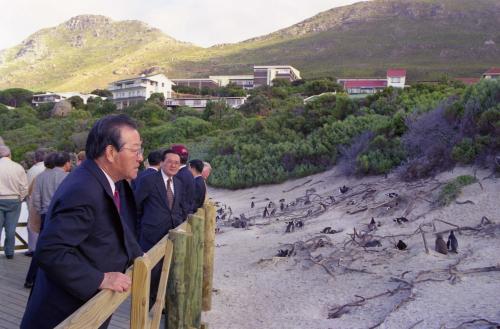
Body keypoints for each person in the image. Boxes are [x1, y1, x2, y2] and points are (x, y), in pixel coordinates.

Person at [21, 114, 144, 329]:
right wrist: (100, 279)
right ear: (111, 153)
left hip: (88, 308)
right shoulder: (83, 189)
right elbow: (51, 251)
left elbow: (118, 226)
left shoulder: (109, 181)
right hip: (65, 314)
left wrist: (139, 258)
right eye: (135, 150)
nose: (140, 158)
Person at [134, 149, 187, 306]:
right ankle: (146, 310)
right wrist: (139, 230)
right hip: (151, 236)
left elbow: (180, 207)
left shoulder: (179, 183)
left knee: (168, 273)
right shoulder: (149, 180)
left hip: (172, 236)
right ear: (162, 162)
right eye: (170, 161)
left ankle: (160, 305)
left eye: (177, 163)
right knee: (150, 275)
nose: (173, 165)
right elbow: (136, 206)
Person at [24, 152, 72, 288]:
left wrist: (41, 212)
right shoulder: (68, 177)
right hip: (62, 216)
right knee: (63, 248)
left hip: (46, 215)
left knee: (41, 247)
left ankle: (30, 279)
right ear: (66, 163)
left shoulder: (41, 177)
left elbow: (36, 199)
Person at [0, 145, 28, 259]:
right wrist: (20, 198)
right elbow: (25, 187)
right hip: (14, 199)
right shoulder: (18, 167)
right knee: (11, 228)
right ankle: (9, 252)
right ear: (9, 154)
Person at [25, 148, 49, 256]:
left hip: (33, 200)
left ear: (35, 159)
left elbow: (27, 188)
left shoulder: (31, 170)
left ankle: (32, 248)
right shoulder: (48, 169)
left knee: (32, 223)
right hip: (47, 201)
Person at [171, 144, 195, 214]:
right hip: (188, 213)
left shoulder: (178, 176)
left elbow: (180, 199)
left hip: (181, 216)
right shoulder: (188, 173)